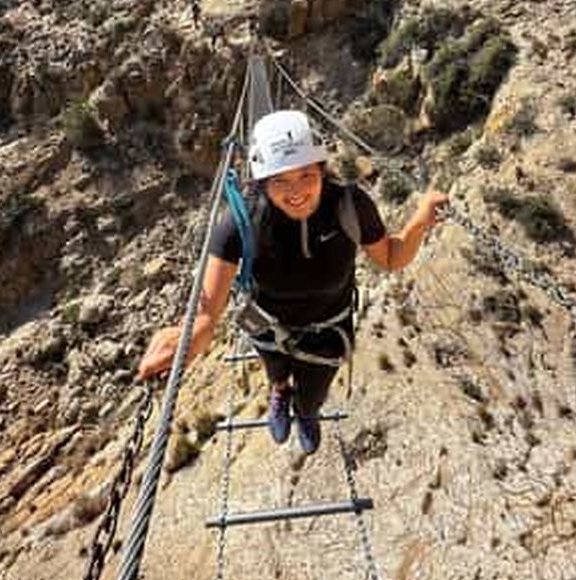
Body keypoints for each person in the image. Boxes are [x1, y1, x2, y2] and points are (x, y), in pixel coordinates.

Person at [137, 110, 447, 454]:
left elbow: (390, 257)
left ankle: (305, 411)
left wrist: (420, 221)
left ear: (321, 170)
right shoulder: (241, 221)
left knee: (314, 392)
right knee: (276, 371)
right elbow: (208, 314)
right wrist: (188, 335)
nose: (296, 191)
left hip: (327, 333)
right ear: (262, 182)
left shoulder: (350, 205)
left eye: (305, 174)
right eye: (279, 180)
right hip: (264, 324)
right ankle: (280, 391)